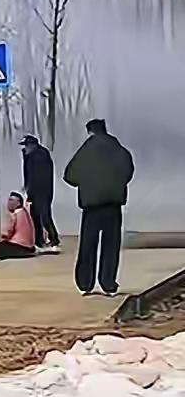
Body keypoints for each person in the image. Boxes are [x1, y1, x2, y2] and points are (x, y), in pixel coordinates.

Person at [64, 118, 135, 297]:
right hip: (113, 204)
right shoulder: (118, 148)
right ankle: (108, 283)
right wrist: (117, 184)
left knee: (88, 244)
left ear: (90, 131)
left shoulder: (86, 150)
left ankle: (85, 283)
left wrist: (87, 184)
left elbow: (70, 175)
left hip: (91, 206)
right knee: (111, 245)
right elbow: (128, 170)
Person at [20, 134, 60, 250]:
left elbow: (38, 176)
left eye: (26, 146)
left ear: (33, 146)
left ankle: (53, 239)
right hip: (34, 191)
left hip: (42, 191)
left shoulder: (40, 155)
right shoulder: (30, 156)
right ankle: (39, 240)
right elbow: (29, 174)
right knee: (35, 216)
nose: (25, 148)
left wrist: (30, 188)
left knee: (44, 216)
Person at [0, 192, 37, 263]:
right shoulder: (25, 213)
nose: (9, 203)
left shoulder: (15, 215)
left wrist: (1, 238)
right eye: (9, 200)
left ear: (18, 203)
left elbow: (8, 233)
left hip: (20, 247)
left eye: (12, 200)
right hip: (29, 247)